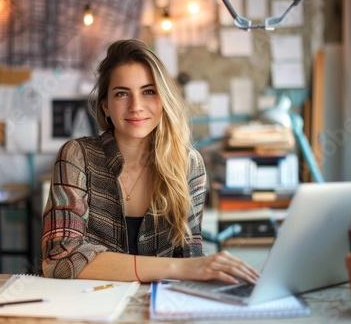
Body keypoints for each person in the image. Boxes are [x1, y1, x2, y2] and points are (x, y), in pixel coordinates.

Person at [41, 39, 260, 284]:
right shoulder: (77, 156)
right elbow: (58, 260)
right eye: (122, 93)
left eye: (148, 91)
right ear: (105, 107)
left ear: (163, 99)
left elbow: (189, 255)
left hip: (161, 310)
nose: (136, 106)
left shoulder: (188, 164)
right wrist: (178, 268)